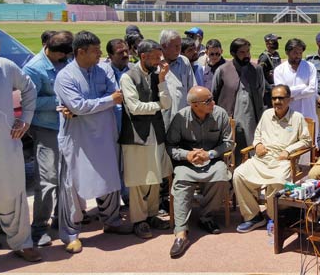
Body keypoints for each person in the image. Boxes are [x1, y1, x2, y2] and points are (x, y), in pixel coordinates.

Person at [54, 31, 131, 254]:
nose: (100, 54)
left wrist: (88, 107)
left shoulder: (104, 69)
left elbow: (116, 94)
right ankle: (70, 234)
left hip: (105, 135)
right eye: (96, 51)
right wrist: (104, 102)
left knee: (109, 177)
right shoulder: (66, 77)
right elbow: (80, 106)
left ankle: (112, 221)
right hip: (77, 139)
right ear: (81, 52)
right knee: (73, 186)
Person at [233, 85, 312, 233]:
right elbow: (257, 134)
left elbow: (306, 141)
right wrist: (257, 144)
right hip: (262, 158)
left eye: (281, 98)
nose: (277, 101)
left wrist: (288, 151)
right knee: (239, 174)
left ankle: (274, 216)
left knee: (277, 181)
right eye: (274, 98)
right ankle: (253, 216)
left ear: (289, 99)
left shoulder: (297, 118)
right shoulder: (267, 114)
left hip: (282, 161)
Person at [166, 86, 233, 258]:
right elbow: (170, 145)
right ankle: (180, 234)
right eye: (208, 100)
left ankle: (206, 216)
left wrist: (209, 154)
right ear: (195, 105)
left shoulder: (220, 114)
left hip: (212, 160)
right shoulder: (181, 118)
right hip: (187, 163)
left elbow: (228, 143)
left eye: (211, 98)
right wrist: (186, 155)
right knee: (180, 181)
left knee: (221, 176)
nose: (213, 103)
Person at [0, 29, 41, 262]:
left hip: (5, 145)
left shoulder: (6, 66)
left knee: (12, 195)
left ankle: (22, 243)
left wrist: (26, 119)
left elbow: (29, 89)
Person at [22, 30, 73, 247]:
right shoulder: (34, 68)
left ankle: (61, 219)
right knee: (48, 180)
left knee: (66, 178)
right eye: (63, 56)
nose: (66, 60)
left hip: (67, 128)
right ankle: (39, 228)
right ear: (53, 51)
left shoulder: (66, 60)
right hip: (46, 129)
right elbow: (28, 102)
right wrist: (59, 101)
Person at [118, 40, 173, 239]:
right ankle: (139, 220)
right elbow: (135, 108)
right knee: (138, 181)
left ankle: (152, 215)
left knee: (155, 179)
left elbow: (167, 102)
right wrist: (157, 105)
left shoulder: (156, 76)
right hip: (136, 136)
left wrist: (162, 80)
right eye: (156, 57)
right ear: (143, 57)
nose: (160, 61)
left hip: (156, 134)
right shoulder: (128, 77)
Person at [212, 38, 265, 164]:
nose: (246, 55)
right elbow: (214, 94)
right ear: (233, 53)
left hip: (252, 119)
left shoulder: (256, 70)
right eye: (242, 52)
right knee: (231, 151)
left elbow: (261, 91)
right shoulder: (223, 70)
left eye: (248, 51)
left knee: (251, 150)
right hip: (229, 119)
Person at [274, 38, 318, 123]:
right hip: (288, 116)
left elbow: (312, 90)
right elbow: (282, 93)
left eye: (300, 53)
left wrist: (293, 97)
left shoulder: (310, 67)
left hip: (308, 114)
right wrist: (303, 86)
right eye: (295, 53)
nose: (298, 56)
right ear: (287, 52)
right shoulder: (279, 70)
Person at [160, 30, 196, 129]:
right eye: (175, 46)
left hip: (183, 121)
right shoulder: (155, 64)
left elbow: (192, 89)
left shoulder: (184, 62)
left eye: (180, 46)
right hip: (161, 122)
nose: (179, 49)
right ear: (164, 46)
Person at [257, 33, 282, 108]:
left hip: (276, 86)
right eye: (274, 41)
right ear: (267, 43)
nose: (276, 43)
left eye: (276, 41)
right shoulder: (264, 58)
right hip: (268, 91)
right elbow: (260, 75)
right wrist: (269, 88)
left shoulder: (276, 54)